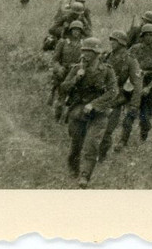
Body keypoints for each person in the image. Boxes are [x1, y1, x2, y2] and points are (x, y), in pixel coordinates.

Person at [57, 37, 118, 188]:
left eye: (88, 52)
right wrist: (76, 79)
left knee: (92, 145)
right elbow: (63, 88)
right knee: (76, 146)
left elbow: (113, 92)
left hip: (98, 113)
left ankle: (85, 176)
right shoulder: (77, 68)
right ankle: (73, 172)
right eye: (83, 51)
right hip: (78, 112)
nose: (84, 54)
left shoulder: (107, 71)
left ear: (97, 54)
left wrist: (94, 104)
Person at [97, 30, 142, 162]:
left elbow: (137, 83)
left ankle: (101, 157)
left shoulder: (130, 60)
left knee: (107, 130)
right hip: (101, 97)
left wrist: (134, 105)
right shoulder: (106, 57)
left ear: (121, 43)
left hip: (117, 99)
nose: (111, 43)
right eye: (111, 40)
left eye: (114, 40)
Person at [118, 23, 152, 147]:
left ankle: (143, 136)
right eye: (146, 35)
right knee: (131, 112)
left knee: (145, 117)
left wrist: (150, 86)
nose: (149, 38)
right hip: (133, 84)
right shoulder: (134, 49)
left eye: (151, 35)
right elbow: (125, 64)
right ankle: (123, 140)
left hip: (149, 85)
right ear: (142, 36)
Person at [50, 21, 87, 120]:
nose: (76, 32)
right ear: (70, 31)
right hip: (63, 72)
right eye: (74, 30)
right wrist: (59, 68)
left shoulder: (84, 44)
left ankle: (68, 118)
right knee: (61, 98)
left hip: (76, 73)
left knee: (74, 98)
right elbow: (54, 60)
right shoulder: (63, 42)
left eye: (78, 30)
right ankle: (57, 118)